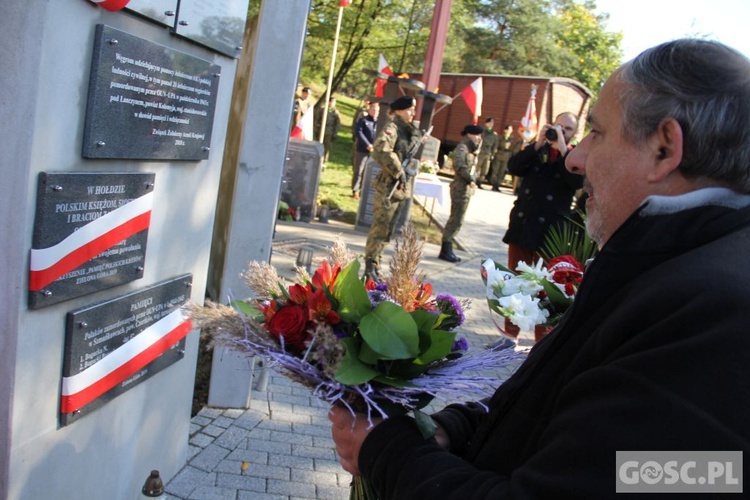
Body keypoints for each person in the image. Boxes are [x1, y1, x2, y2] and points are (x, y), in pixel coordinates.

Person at [329, 39, 750, 497]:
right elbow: (567, 423)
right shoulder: (678, 268)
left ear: (665, 149)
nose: (576, 157)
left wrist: (387, 451)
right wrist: (454, 427)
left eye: (598, 132)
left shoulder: (715, 315)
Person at [502, 111, 583, 270]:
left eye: (568, 128)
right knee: (514, 282)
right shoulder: (538, 148)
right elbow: (514, 167)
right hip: (524, 224)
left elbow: (577, 182)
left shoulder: (575, 156)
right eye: (560, 126)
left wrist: (563, 151)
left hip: (551, 232)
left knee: (544, 287)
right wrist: (537, 144)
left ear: (575, 133)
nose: (563, 131)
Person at [364, 96, 422, 281]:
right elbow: (380, 150)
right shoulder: (392, 128)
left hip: (399, 189)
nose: (412, 113)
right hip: (388, 187)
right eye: (408, 110)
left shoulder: (407, 130)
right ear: (398, 110)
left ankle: (376, 264)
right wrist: (398, 170)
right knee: (379, 229)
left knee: (388, 231)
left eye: (413, 110)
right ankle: (370, 266)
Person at [438, 124, 482, 262]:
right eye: (477, 135)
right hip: (459, 188)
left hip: (465, 189)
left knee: (459, 220)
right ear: (470, 134)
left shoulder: (471, 150)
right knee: (455, 219)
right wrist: (471, 179)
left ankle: (448, 247)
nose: (479, 138)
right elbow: (459, 166)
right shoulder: (462, 148)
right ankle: (446, 249)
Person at [352, 101, 380, 199]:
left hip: (374, 151)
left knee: (369, 172)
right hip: (362, 149)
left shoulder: (379, 123)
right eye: (373, 110)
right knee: (359, 170)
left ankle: (365, 190)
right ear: (369, 110)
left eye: (377, 110)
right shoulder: (363, 121)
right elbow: (359, 133)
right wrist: (367, 144)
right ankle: (355, 190)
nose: (375, 112)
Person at [314, 96, 341, 163]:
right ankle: (316, 159)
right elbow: (316, 120)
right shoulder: (322, 110)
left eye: (334, 102)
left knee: (326, 148)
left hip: (330, 132)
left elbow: (337, 124)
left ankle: (323, 161)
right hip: (320, 131)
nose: (332, 103)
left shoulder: (336, 112)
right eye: (331, 101)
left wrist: (335, 133)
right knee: (318, 145)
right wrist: (316, 129)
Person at [489, 124, 514, 191]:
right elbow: (496, 146)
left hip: (506, 156)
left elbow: (512, 149)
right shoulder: (500, 137)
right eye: (508, 129)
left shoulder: (511, 139)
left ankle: (498, 185)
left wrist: (511, 157)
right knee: (495, 171)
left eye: (511, 130)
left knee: (502, 172)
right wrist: (494, 154)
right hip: (499, 155)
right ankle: (494, 185)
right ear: (505, 130)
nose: (510, 131)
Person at [475, 117, 498, 189]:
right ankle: (474, 180)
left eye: (492, 123)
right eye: (490, 123)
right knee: (477, 167)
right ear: (486, 123)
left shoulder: (494, 134)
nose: (491, 124)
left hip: (488, 153)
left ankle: (480, 182)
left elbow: (495, 145)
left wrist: (493, 154)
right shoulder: (482, 131)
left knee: (485, 170)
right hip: (481, 151)